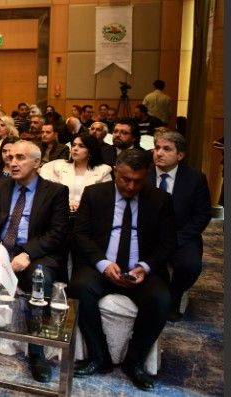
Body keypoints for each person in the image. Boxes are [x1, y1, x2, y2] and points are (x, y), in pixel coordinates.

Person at [69, 149, 176, 391]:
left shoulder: (160, 199)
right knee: (78, 287)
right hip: (102, 267)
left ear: (146, 175)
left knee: (161, 299)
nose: (131, 186)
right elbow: (80, 235)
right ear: (115, 172)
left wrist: (145, 267)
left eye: (138, 181)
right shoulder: (95, 194)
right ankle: (99, 356)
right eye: (125, 179)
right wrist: (103, 264)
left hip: (141, 271)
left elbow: (168, 243)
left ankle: (134, 362)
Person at [0, 140, 69, 383]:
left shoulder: (55, 191)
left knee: (39, 280)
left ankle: (37, 350)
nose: (13, 162)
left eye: (20, 158)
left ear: (37, 162)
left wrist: (28, 253)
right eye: (10, 157)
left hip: (35, 254)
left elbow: (57, 233)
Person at [149, 131, 211, 321]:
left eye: (167, 149)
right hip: (146, 234)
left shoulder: (195, 178)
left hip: (181, 235)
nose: (159, 153)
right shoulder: (142, 173)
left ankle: (173, 296)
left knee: (190, 265)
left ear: (180, 155)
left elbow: (202, 215)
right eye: (157, 148)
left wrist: (176, 239)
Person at [40, 133, 112, 212]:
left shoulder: (103, 170)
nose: (75, 149)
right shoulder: (59, 166)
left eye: (81, 146)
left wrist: (82, 205)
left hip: (90, 213)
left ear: (90, 150)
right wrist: (66, 203)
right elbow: (49, 192)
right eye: (74, 145)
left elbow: (105, 199)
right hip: (62, 211)